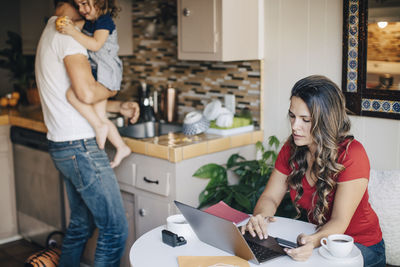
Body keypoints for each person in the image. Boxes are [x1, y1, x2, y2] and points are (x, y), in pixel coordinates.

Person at [241, 75, 385, 267]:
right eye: (292, 116)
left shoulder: (352, 154)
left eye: (305, 119)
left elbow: (339, 221)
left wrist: (312, 241)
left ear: (326, 120)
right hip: (318, 240)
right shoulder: (291, 148)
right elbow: (270, 198)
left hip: (359, 247)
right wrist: (260, 217)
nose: (295, 126)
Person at [35, 1, 139, 266]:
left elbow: (76, 93)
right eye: (79, 4)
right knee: (115, 230)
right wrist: (114, 91)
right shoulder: (67, 36)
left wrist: (117, 106)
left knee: (81, 225)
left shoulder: (50, 30)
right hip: (80, 146)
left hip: (63, 146)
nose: (83, 12)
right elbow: (86, 93)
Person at [56, 0, 129, 168]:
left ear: (100, 2)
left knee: (71, 94)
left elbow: (95, 45)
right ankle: (122, 147)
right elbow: (77, 26)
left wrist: (72, 32)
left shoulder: (105, 21)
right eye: (78, 5)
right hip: (97, 74)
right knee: (100, 117)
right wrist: (66, 24)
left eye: (84, 3)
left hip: (108, 74)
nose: (81, 9)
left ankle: (100, 127)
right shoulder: (90, 21)